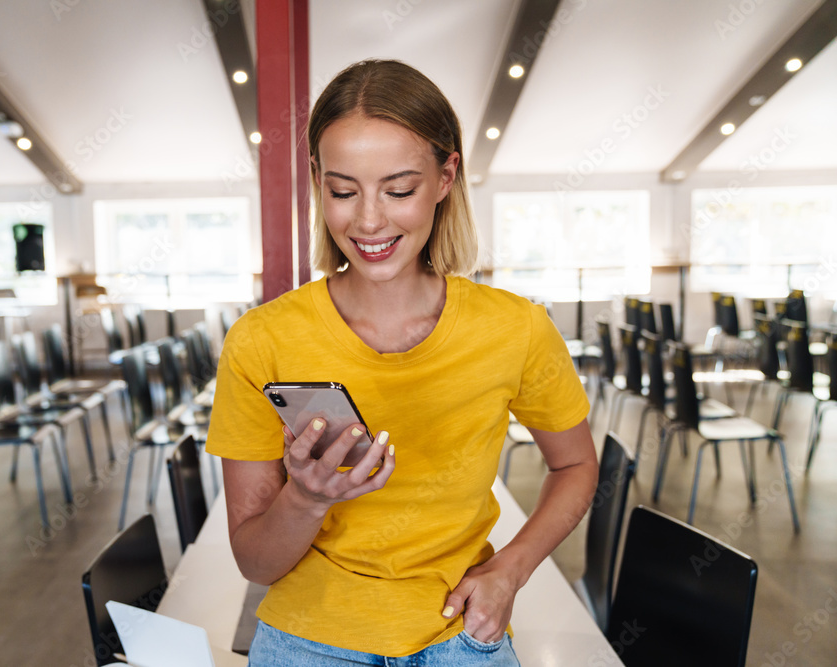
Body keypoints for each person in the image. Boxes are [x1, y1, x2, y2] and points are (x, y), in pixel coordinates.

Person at [205, 59, 598, 666]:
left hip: (463, 635)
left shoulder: (517, 329)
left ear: (445, 178)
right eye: (342, 190)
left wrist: (509, 572)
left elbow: (574, 465)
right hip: (307, 643)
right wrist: (307, 499)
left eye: (399, 188)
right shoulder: (262, 342)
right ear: (317, 181)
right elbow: (255, 560)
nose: (367, 220)